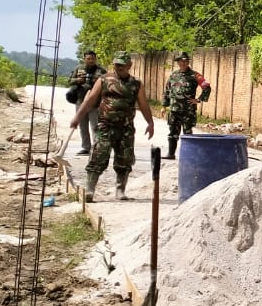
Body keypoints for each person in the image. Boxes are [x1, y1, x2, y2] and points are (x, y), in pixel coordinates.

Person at [71, 51, 154, 202]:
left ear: (129, 65)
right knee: (98, 156)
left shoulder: (136, 84)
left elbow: (143, 105)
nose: (119, 67)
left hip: (126, 128)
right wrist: (77, 117)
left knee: (124, 160)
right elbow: (90, 101)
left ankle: (120, 190)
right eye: (117, 64)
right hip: (105, 126)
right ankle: (89, 190)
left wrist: (150, 123)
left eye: (122, 65)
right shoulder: (104, 80)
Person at [162, 51, 211, 160]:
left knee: (187, 133)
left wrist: (198, 100)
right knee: (172, 133)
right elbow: (167, 91)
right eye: (181, 61)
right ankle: (171, 154)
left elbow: (207, 87)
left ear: (188, 62)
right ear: (178, 62)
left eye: (185, 61)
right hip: (174, 110)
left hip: (188, 111)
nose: (183, 63)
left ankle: (189, 156)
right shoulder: (173, 75)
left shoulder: (195, 75)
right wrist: (164, 106)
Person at [67, 50, 107, 155]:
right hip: (80, 102)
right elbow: (69, 81)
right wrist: (78, 80)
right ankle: (86, 148)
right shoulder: (78, 69)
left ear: (95, 59)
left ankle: (97, 148)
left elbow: (107, 85)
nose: (90, 61)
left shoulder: (101, 71)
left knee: (95, 127)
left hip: (95, 103)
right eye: (88, 59)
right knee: (82, 127)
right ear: (84, 59)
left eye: (92, 59)